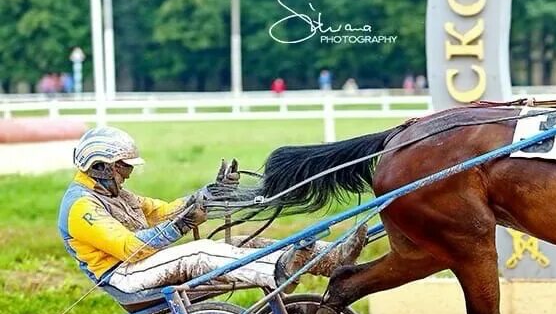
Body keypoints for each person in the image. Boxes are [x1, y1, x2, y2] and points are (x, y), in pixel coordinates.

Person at [58, 126, 363, 296]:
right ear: (100, 166)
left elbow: (164, 211)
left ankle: (331, 257)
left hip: (141, 264)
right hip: (124, 274)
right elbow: (132, 249)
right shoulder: (82, 207)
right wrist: (181, 226)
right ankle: (276, 272)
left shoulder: (115, 193)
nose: (128, 173)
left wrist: (208, 193)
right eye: (123, 167)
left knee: (239, 242)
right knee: (200, 252)